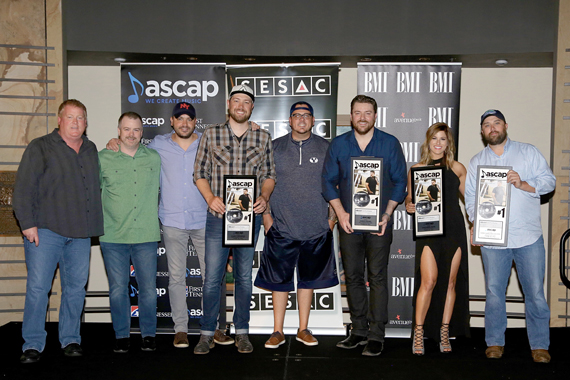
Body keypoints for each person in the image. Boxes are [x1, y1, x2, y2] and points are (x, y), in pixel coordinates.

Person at [106, 102, 233, 348]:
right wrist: (115, 141)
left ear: (195, 122)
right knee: (176, 278)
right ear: (172, 121)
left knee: (212, 277)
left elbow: (235, 140)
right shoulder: (157, 145)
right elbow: (131, 146)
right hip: (173, 220)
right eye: (179, 118)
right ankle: (181, 329)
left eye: (189, 118)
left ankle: (213, 328)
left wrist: (253, 126)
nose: (184, 123)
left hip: (205, 219)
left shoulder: (208, 142)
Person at [13, 99, 104, 363]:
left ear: (86, 123)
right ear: (59, 120)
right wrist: (27, 224)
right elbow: (23, 189)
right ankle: (32, 343)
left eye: (80, 118)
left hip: (80, 233)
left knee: (76, 289)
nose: (76, 122)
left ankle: (71, 339)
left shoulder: (90, 149)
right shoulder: (40, 147)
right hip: (46, 230)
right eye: (70, 117)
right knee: (39, 288)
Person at [465, 109, 555, 364]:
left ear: (505, 126)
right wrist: (477, 223)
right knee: (494, 292)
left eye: (496, 123)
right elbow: (471, 199)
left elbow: (549, 181)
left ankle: (540, 345)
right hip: (493, 241)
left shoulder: (529, 152)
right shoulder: (476, 162)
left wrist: (524, 183)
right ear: (482, 132)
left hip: (528, 237)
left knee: (535, 293)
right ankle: (494, 342)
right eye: (486, 125)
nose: (492, 128)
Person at [193, 83, 276, 354]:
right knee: (212, 279)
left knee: (243, 277)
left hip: (248, 220)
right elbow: (199, 172)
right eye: (236, 100)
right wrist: (210, 198)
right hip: (218, 217)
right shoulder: (211, 134)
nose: (240, 105)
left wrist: (264, 197)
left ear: (252, 107)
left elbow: (269, 175)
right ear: (229, 105)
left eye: (246, 102)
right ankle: (206, 333)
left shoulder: (262, 138)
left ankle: (242, 332)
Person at [322, 95, 407, 356]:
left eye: (367, 113)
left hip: (379, 223)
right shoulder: (338, 144)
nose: (362, 117)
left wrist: (388, 212)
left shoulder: (389, 143)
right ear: (351, 116)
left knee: (378, 276)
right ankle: (358, 330)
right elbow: (327, 182)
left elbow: (401, 182)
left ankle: (376, 334)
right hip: (349, 223)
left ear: (375, 116)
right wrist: (341, 213)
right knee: (354, 276)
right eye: (357, 112)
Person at [254, 101, 339, 349]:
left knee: (308, 281)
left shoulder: (327, 148)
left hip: (316, 229)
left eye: (306, 115)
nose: (301, 119)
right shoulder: (274, 147)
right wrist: (267, 220)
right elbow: (263, 183)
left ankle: (303, 329)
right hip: (281, 227)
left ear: (313, 121)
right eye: (296, 115)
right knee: (279, 282)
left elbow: (335, 185)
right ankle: (277, 331)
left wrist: (331, 220)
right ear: (289, 120)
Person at [404, 122, 469, 355]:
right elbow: (409, 199)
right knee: (429, 281)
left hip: (454, 230)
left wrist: (479, 225)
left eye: (443, 139)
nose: (438, 143)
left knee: (450, 283)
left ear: (448, 143)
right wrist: (409, 206)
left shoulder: (458, 168)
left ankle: (444, 331)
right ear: (428, 141)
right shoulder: (417, 169)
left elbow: (470, 202)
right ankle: (419, 333)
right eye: (435, 139)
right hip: (429, 230)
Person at [99, 112, 161, 353]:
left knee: (147, 289)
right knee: (117, 289)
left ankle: (148, 335)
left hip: (145, 234)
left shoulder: (154, 158)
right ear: (118, 131)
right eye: (127, 129)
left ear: (142, 132)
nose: (131, 134)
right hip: (113, 235)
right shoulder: (103, 158)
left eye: (136, 130)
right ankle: (122, 335)